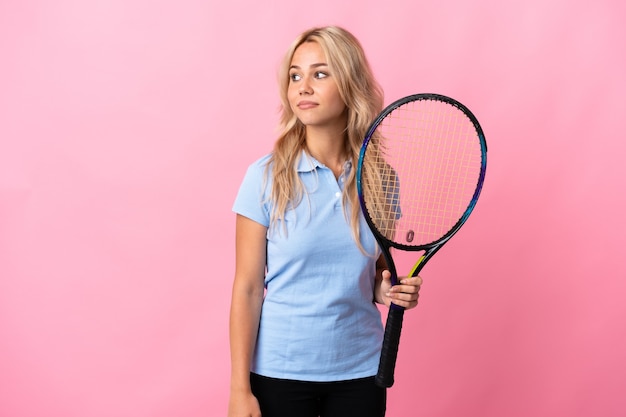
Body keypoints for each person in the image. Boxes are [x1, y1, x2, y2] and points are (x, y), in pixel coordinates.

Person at [228, 26, 423, 417]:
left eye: (320, 73)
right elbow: (248, 288)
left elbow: (376, 272)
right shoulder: (263, 178)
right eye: (295, 76)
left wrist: (390, 291)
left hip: (362, 372)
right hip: (280, 372)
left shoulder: (380, 179)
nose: (302, 87)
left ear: (350, 84)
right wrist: (239, 389)